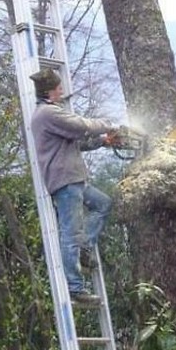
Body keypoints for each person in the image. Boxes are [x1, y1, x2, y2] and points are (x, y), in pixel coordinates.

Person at [29, 68, 115, 305]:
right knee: (70, 232)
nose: (62, 91)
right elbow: (80, 126)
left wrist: (102, 141)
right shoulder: (48, 114)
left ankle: (86, 247)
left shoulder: (50, 114)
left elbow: (77, 142)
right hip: (65, 181)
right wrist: (107, 124)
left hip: (73, 179)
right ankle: (76, 288)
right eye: (58, 88)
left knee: (102, 204)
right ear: (49, 91)